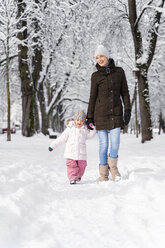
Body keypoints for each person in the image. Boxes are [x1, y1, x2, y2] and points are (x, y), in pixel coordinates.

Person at [86, 45, 131, 182]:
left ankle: (114, 169)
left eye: (101, 56)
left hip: (116, 113)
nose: (99, 59)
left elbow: (125, 92)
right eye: (97, 57)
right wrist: (89, 116)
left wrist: (127, 109)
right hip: (100, 115)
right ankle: (103, 174)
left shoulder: (119, 72)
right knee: (104, 145)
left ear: (107, 56)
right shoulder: (95, 76)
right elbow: (92, 97)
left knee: (115, 143)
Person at [48, 110, 96, 184]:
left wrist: (93, 128)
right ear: (74, 120)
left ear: (84, 122)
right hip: (70, 153)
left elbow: (91, 135)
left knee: (82, 166)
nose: (79, 122)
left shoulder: (85, 130)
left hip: (81, 154)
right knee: (71, 166)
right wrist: (52, 146)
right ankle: (72, 178)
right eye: (77, 120)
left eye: (81, 120)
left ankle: (78, 176)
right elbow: (62, 138)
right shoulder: (69, 128)